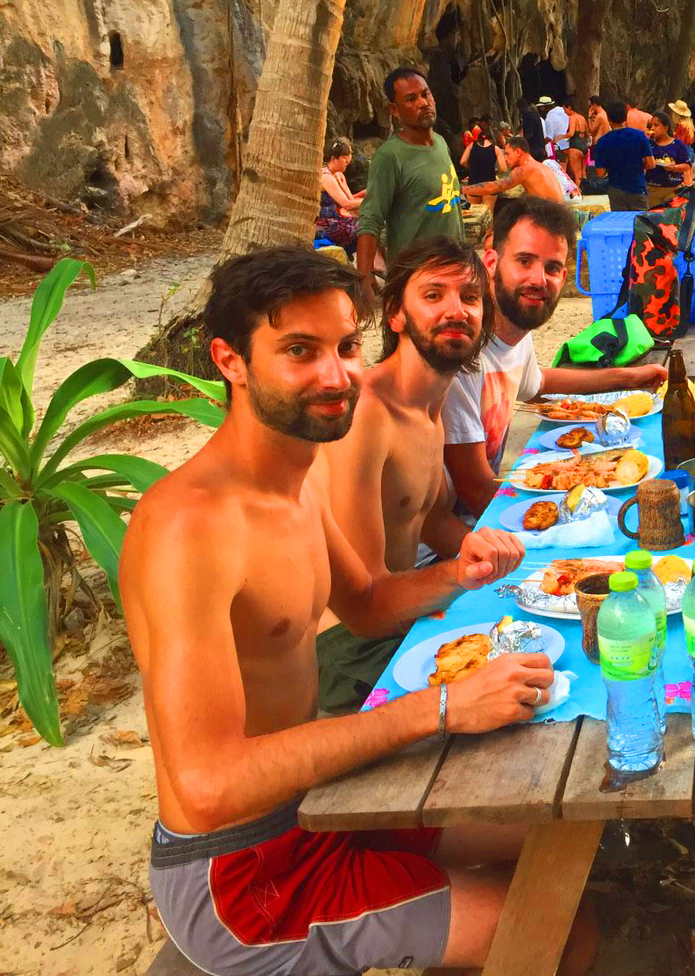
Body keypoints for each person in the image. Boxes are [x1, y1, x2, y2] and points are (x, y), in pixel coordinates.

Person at [119, 246, 597, 974]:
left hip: (316, 801)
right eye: (299, 351)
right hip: (244, 874)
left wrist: (460, 574)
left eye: (345, 347)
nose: (336, 375)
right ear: (230, 361)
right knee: (560, 934)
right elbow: (207, 786)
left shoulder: (293, 478)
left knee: (554, 832)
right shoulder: (190, 529)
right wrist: (442, 708)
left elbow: (369, 605)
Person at [314, 237, 491, 713]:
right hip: (345, 648)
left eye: (470, 297)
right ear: (395, 314)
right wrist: (459, 576)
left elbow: (431, 521)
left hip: (399, 609)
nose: (456, 310)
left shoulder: (429, 405)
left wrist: (514, 560)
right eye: (433, 295)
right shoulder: (367, 413)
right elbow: (363, 595)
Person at [443, 196, 666, 515]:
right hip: (458, 527)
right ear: (491, 262)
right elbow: (474, 489)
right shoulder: (462, 351)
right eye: (524, 261)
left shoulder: (515, 327)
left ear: (563, 276)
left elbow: (539, 384)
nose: (538, 279)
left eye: (551, 268)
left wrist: (627, 378)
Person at [355, 67, 465, 288]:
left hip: (454, 268)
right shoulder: (390, 156)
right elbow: (370, 220)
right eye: (411, 99)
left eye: (425, 94)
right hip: (416, 278)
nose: (423, 103)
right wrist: (364, 280)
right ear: (394, 110)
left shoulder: (440, 143)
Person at [589, 100, 654, 212]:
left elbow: (600, 173)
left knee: (620, 220)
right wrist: (638, 165)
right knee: (640, 220)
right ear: (625, 117)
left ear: (609, 119)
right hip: (637, 188)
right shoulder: (639, 136)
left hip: (616, 190)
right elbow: (651, 164)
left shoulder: (603, 141)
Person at [467, 135, 567, 205]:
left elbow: (492, 188)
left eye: (507, 154)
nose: (505, 158)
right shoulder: (541, 166)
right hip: (558, 215)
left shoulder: (523, 170)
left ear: (518, 152)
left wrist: (463, 189)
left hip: (548, 219)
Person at [316, 139, 364, 255]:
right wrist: (375, 201)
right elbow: (346, 204)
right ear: (333, 158)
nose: (347, 162)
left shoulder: (338, 174)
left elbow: (351, 200)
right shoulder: (326, 177)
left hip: (337, 219)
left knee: (371, 222)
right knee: (365, 227)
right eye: (344, 159)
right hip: (324, 224)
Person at [645, 111, 695, 208]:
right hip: (652, 190)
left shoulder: (677, 144)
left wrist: (674, 168)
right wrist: (645, 141)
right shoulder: (649, 144)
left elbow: (687, 165)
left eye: (656, 125)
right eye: (651, 126)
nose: (652, 128)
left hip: (673, 190)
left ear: (666, 128)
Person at [460, 118, 500, 191]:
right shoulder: (476, 130)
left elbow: (463, 161)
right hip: (473, 155)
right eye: (488, 124)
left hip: (472, 157)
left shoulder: (475, 131)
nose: (488, 126)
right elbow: (477, 144)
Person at [559, 100, 591, 184]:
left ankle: (578, 190)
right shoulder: (582, 117)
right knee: (583, 173)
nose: (565, 112)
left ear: (569, 107)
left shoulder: (572, 118)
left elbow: (571, 133)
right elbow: (587, 134)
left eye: (565, 109)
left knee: (577, 174)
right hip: (584, 148)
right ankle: (586, 189)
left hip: (575, 148)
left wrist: (560, 137)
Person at [518, 97, 548, 162]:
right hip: (540, 147)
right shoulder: (536, 115)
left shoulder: (527, 117)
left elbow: (529, 134)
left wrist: (520, 141)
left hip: (533, 149)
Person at [542, 95, 569, 161]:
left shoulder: (549, 118)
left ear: (545, 107)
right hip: (571, 143)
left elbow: (549, 137)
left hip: (560, 146)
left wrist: (540, 144)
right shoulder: (563, 110)